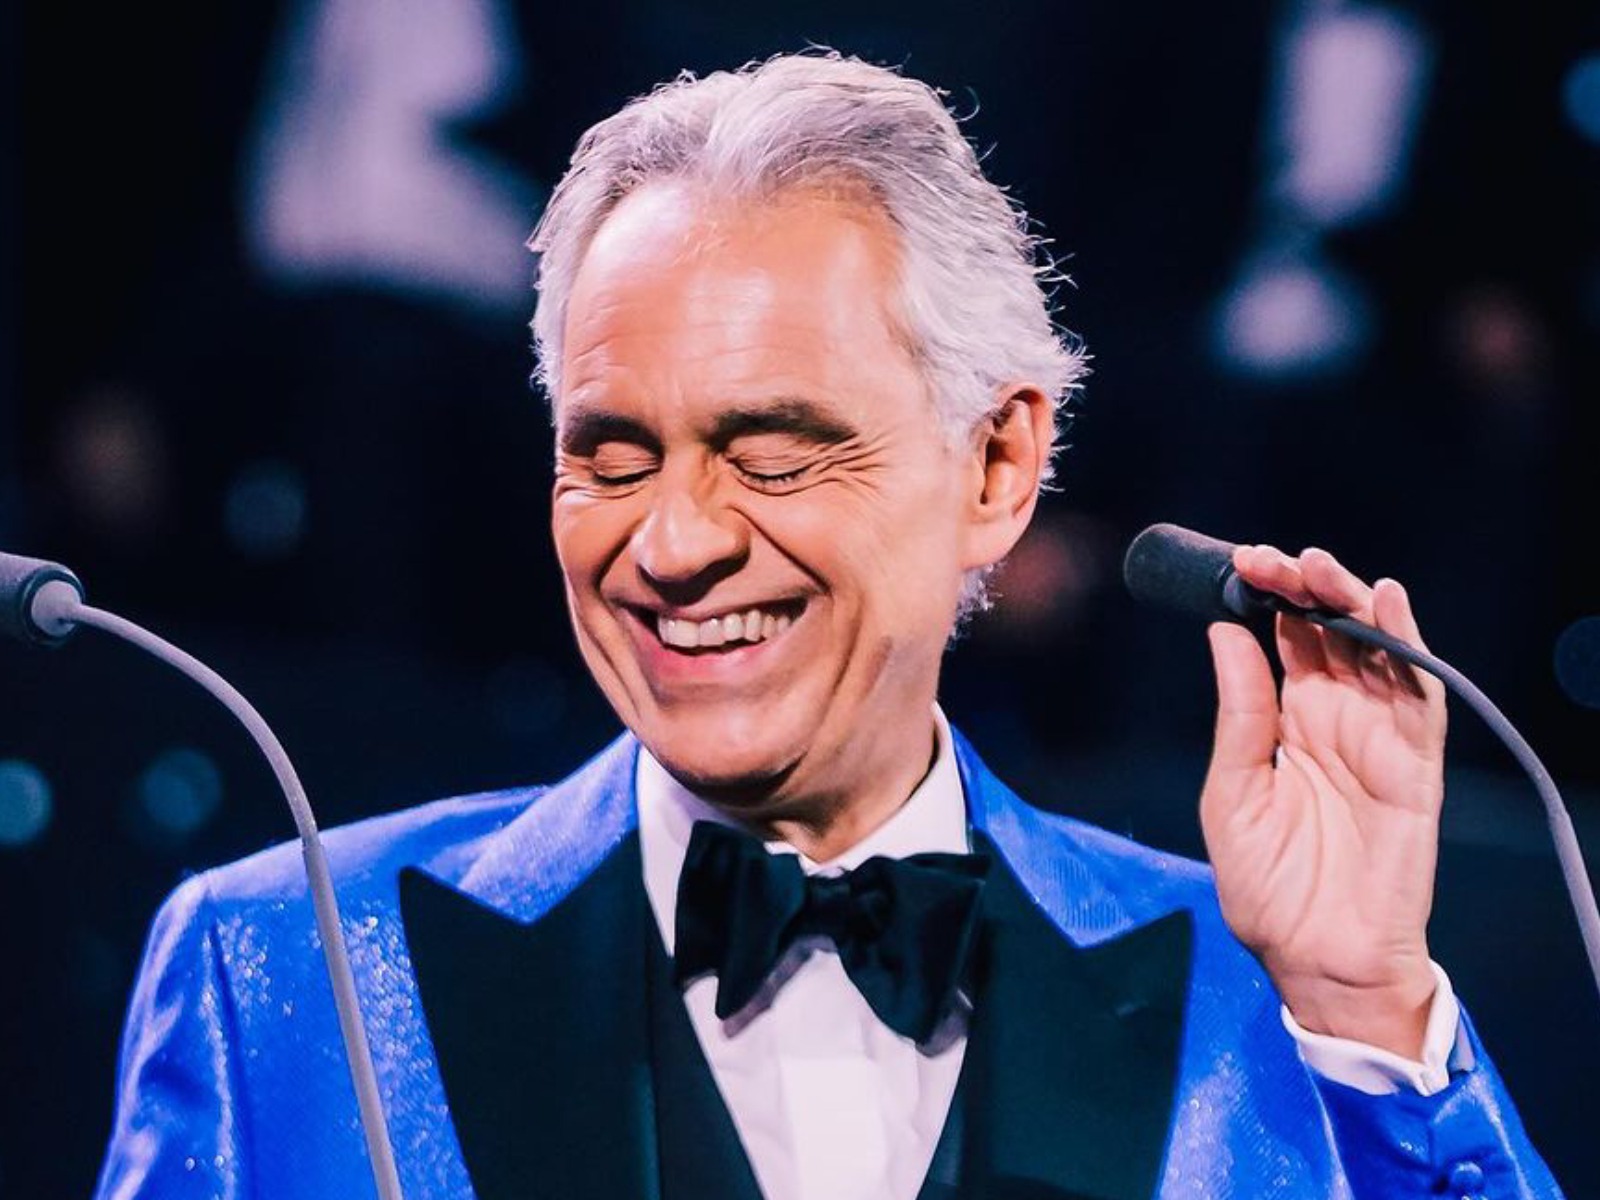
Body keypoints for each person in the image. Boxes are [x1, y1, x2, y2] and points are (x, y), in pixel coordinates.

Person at [95, 52, 1560, 1199]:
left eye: (776, 453)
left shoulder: (1272, 1002)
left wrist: (1370, 1019)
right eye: (610, 456)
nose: (671, 543)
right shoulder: (280, 966)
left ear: (996, 469)